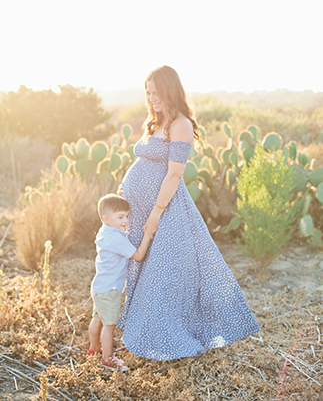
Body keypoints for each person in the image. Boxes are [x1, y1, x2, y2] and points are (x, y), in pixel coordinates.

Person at [117, 65, 260, 361]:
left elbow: (174, 175)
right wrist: (124, 190)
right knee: (143, 271)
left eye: (156, 92)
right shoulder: (155, 121)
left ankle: (165, 339)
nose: (152, 98)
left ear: (170, 90)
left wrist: (156, 214)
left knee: (162, 275)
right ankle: (143, 330)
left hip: (166, 211)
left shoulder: (180, 124)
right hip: (139, 210)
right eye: (148, 93)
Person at [88, 193, 153, 371]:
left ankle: (94, 349)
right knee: (109, 326)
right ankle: (108, 359)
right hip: (110, 290)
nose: (125, 221)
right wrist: (147, 235)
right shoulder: (116, 239)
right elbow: (138, 256)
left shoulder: (105, 231)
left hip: (99, 286)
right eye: (120, 217)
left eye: (126, 216)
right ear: (106, 218)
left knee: (97, 319)